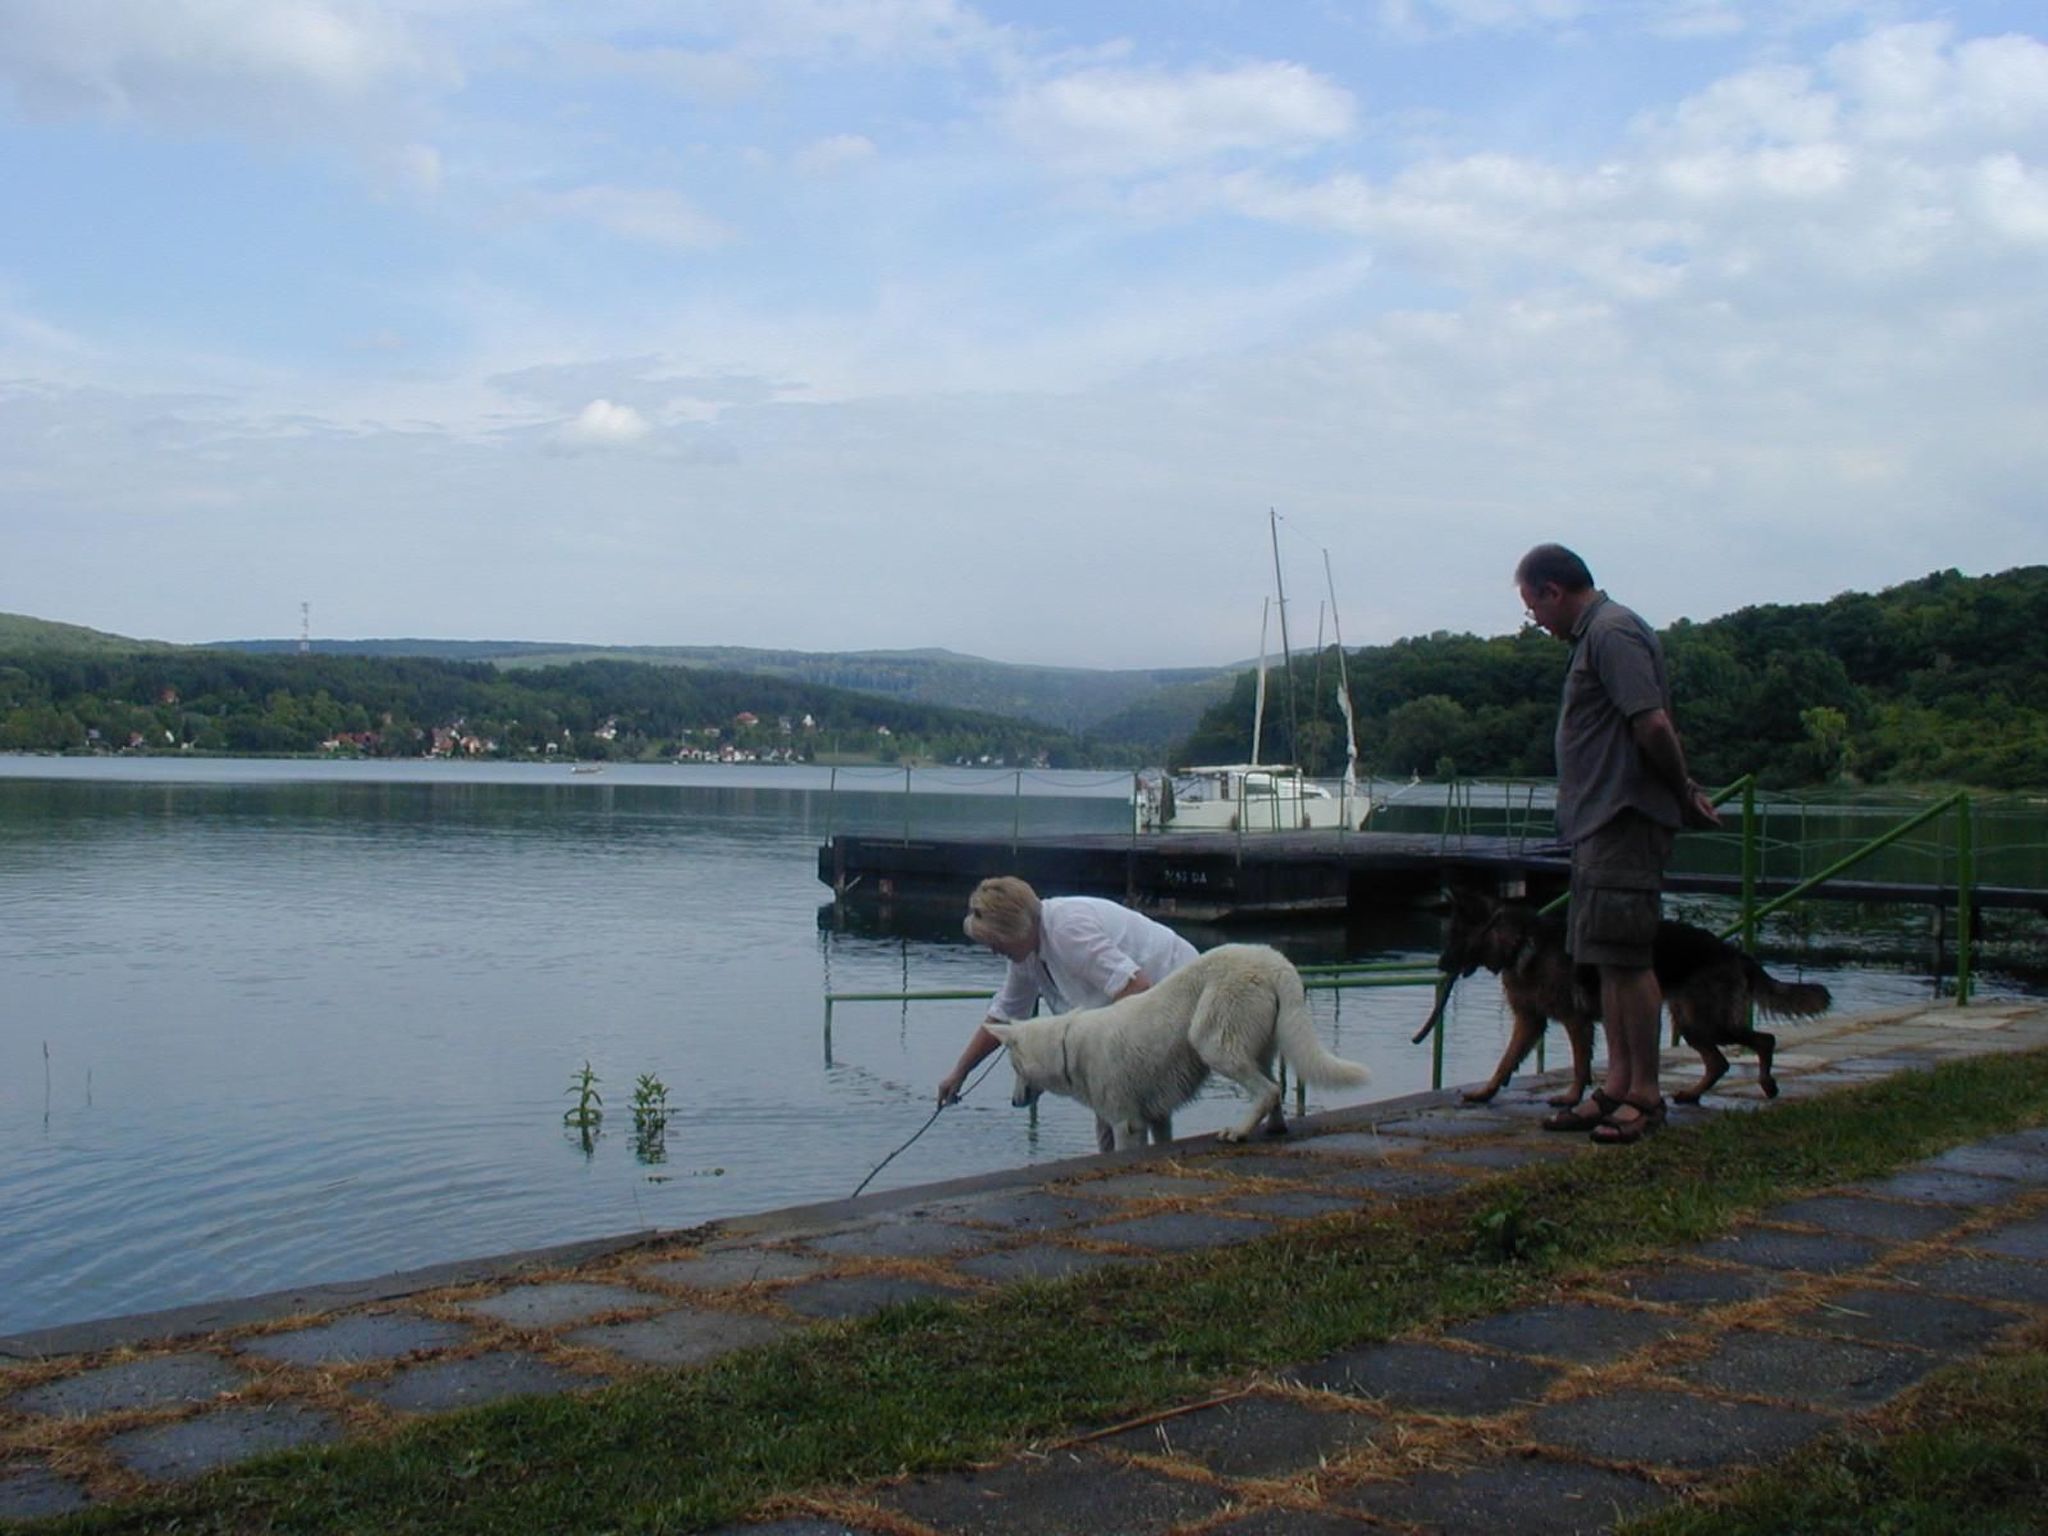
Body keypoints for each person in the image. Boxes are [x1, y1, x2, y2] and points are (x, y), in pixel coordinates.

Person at [1515, 543, 1721, 1145]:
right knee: (1606, 958)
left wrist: (1679, 790)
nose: (1537, 622)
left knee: (1630, 963)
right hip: (1599, 824)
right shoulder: (1594, 636)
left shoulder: (1613, 632)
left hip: (1624, 818)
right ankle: (1617, 1085)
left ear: (1554, 590)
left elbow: (1652, 723)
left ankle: (1646, 1096)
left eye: (1534, 607)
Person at [938, 876, 1197, 1152]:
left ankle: (1124, 1173)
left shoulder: (1068, 930)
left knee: (1113, 1094)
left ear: (1016, 929)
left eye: (995, 942)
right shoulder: (1025, 952)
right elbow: (1003, 1016)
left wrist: (1108, 1058)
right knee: (1108, 1097)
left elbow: (1135, 987)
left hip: (1178, 992)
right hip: (1128, 1009)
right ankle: (1116, 1171)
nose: (992, 951)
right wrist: (959, 1073)